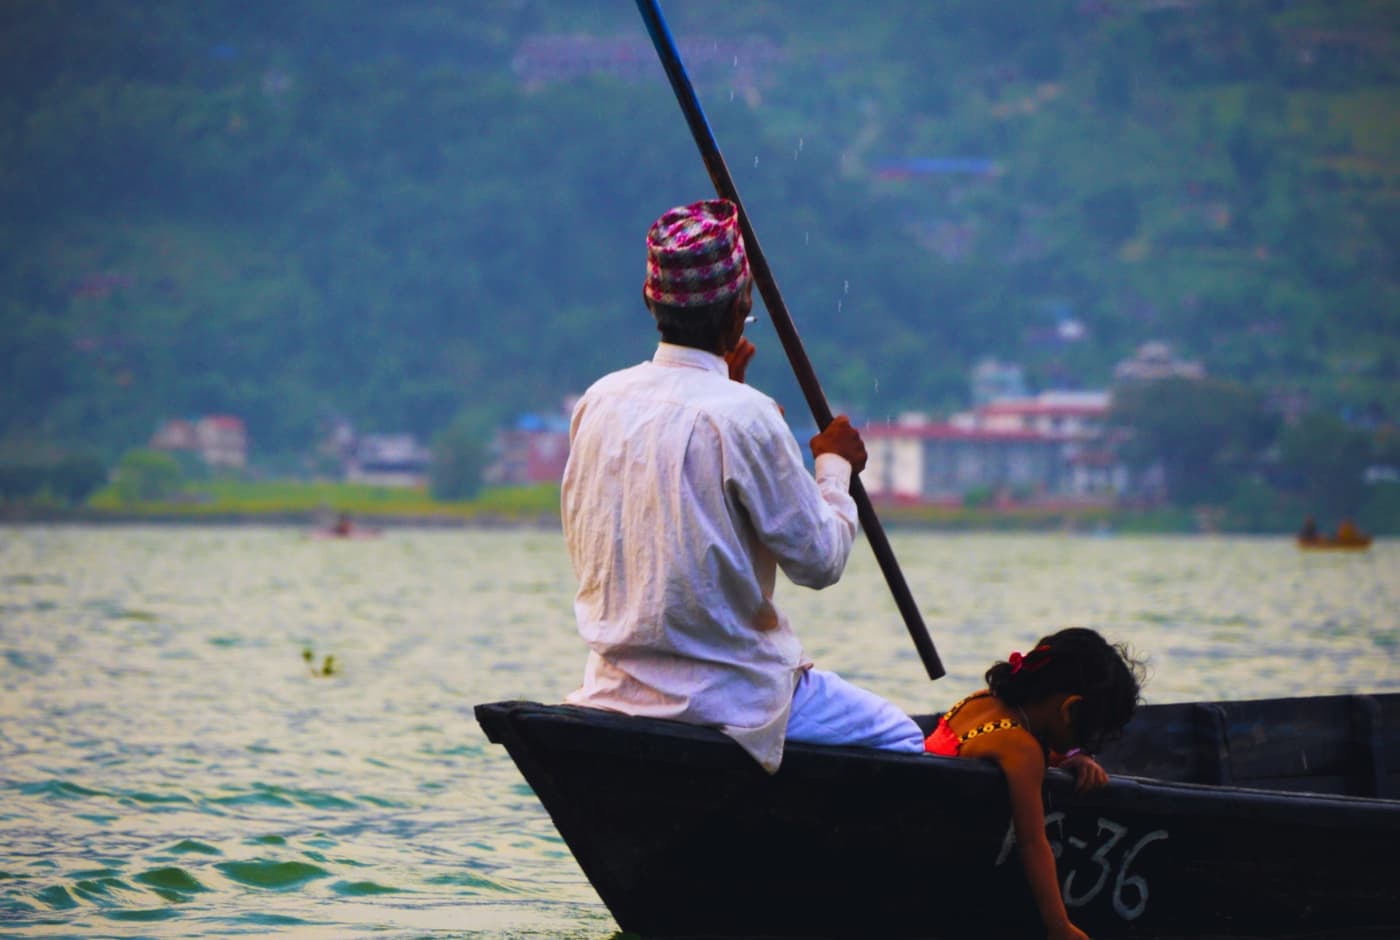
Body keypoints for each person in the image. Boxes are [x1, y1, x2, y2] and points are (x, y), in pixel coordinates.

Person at [561, 198, 924, 772]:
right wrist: (835, 467)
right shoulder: (745, 415)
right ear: (741, 306)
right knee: (904, 740)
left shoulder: (599, 400)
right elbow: (820, 561)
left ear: (650, 301)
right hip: (735, 698)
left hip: (616, 687)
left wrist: (734, 391)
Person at [924, 627, 1144, 940]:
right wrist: (1059, 926)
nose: (1084, 746)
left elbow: (1001, 749)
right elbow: (1032, 843)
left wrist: (1065, 759)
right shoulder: (1024, 752)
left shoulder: (981, 701)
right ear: (1070, 709)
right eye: (1087, 735)